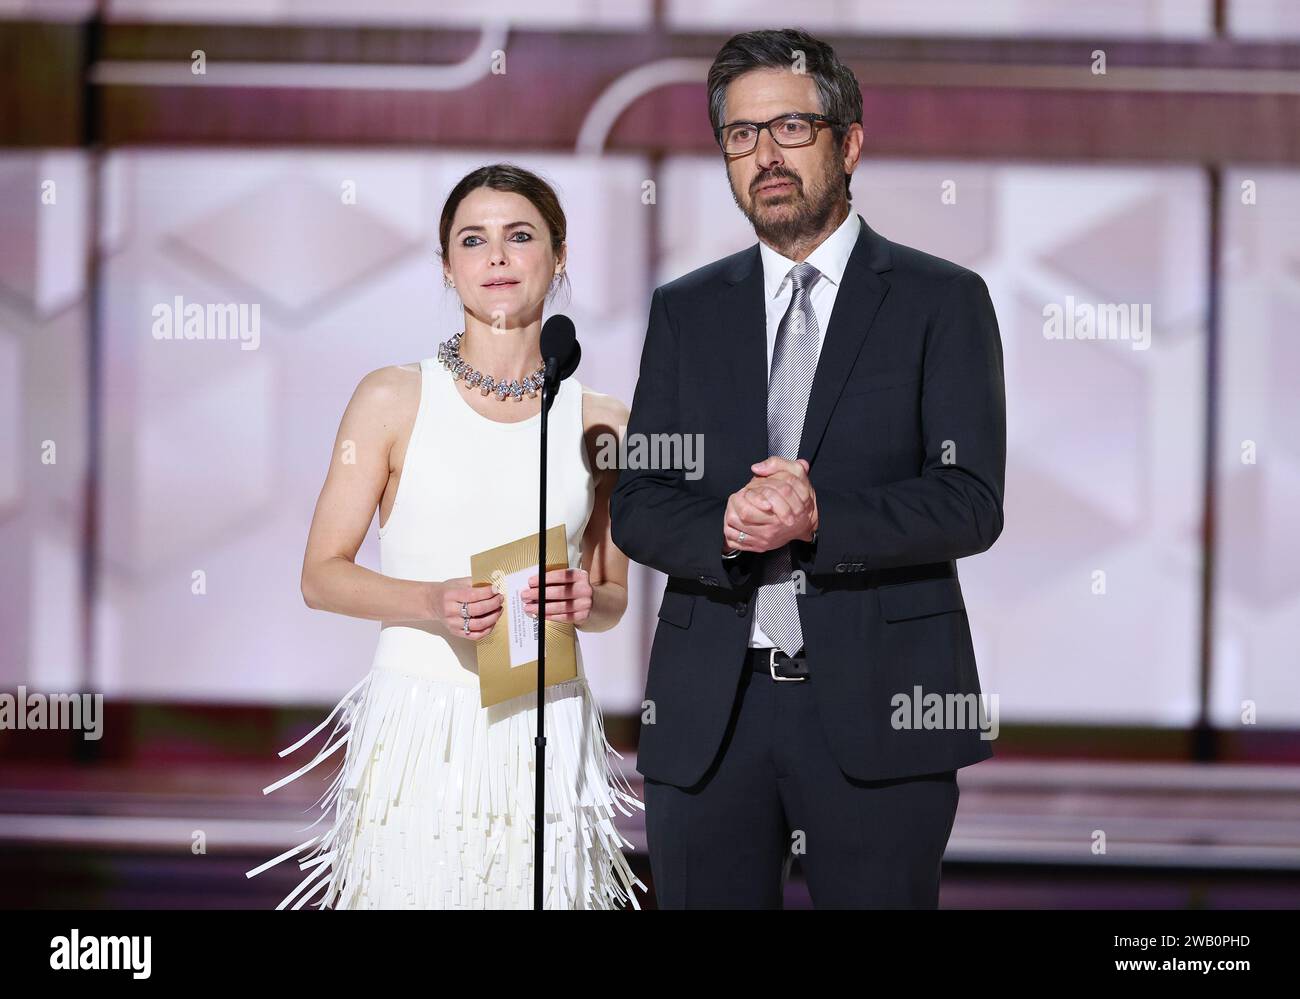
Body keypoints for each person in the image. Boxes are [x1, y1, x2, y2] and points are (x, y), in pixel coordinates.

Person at [610, 27, 1006, 908]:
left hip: (881, 712)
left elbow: (970, 500)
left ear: (849, 141)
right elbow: (638, 502)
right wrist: (722, 525)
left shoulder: (941, 299)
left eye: (791, 127)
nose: (765, 155)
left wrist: (817, 519)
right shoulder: (687, 310)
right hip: (711, 714)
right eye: (741, 136)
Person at [246, 163, 646, 910]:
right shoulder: (392, 396)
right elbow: (321, 574)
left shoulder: (602, 420)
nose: (496, 256)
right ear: (447, 267)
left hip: (546, 723)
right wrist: (432, 600)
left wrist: (587, 596)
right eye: (474, 239)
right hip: (419, 728)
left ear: (560, 256)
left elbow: (613, 596)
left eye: (519, 235)